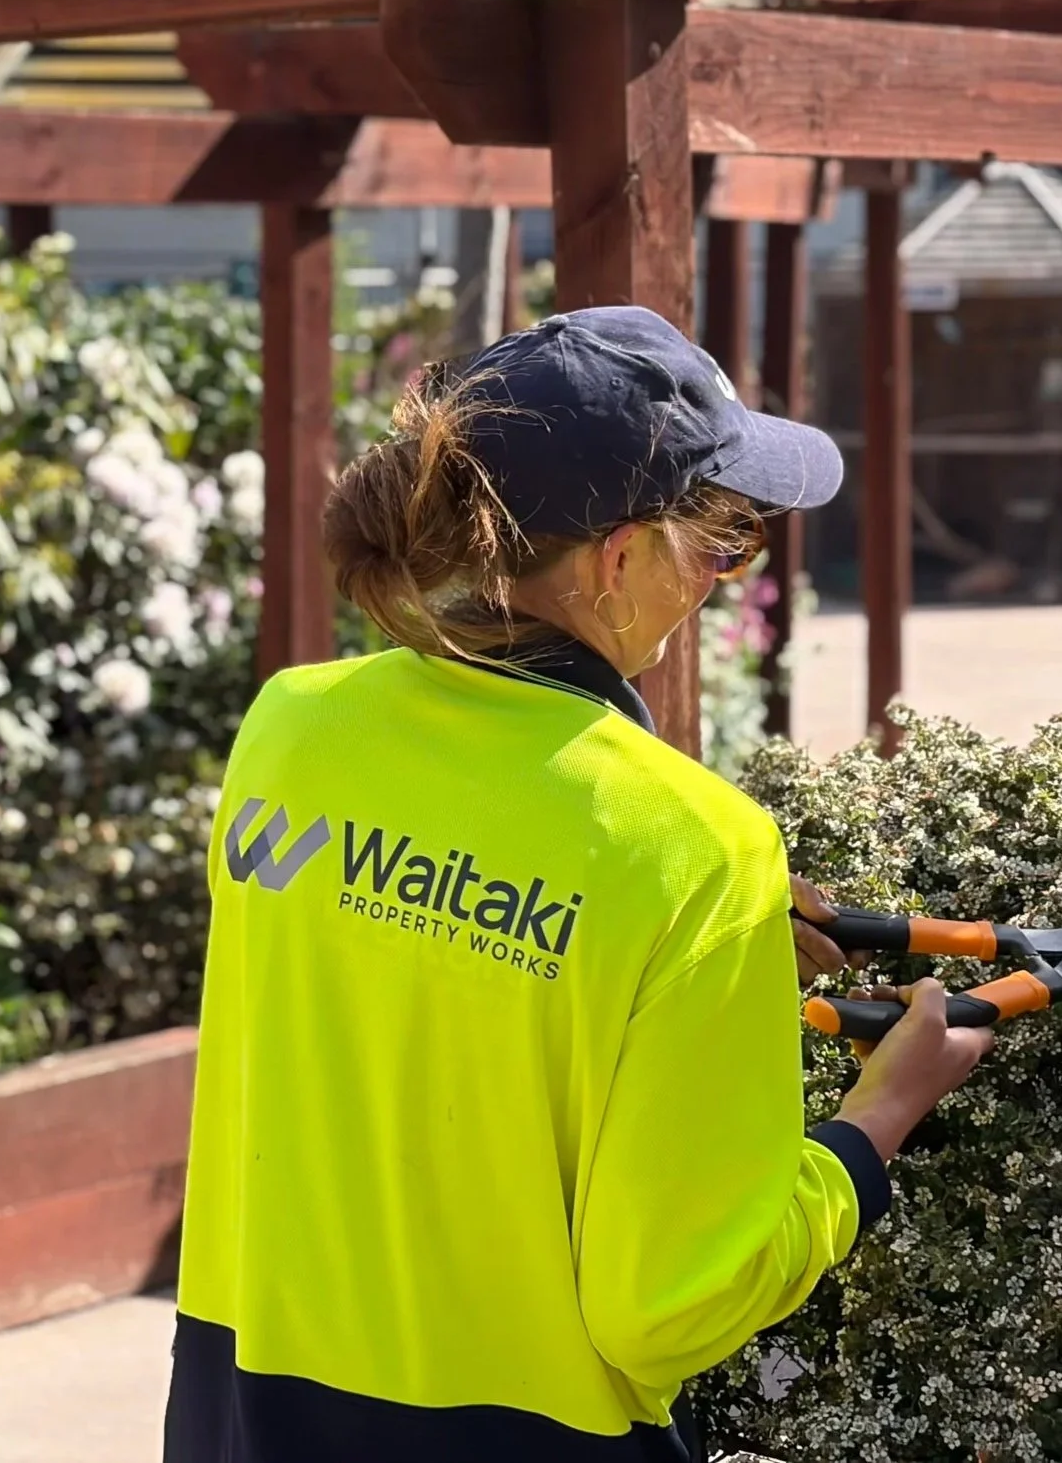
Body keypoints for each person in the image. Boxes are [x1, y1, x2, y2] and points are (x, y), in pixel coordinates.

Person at [165, 306, 991, 1462]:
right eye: (720, 548)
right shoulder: (691, 847)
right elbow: (669, 1306)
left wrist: (688, 954)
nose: (716, 582)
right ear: (614, 558)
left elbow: (412, 988)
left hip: (246, 1415)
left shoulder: (288, 731)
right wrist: (876, 1120)